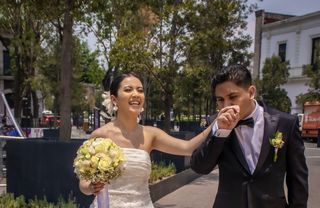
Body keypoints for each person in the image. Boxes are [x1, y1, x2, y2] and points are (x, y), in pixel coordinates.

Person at [79, 72, 213, 208]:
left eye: (140, 90)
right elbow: (83, 183)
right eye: (128, 89)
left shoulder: (151, 134)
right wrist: (91, 187)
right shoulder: (100, 135)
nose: (136, 94)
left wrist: (216, 124)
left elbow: (188, 148)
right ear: (114, 99)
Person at [190, 64, 308, 208]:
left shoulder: (286, 123)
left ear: (251, 92)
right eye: (220, 100)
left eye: (232, 97)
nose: (226, 105)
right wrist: (220, 132)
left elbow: (298, 180)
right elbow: (200, 167)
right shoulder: (214, 123)